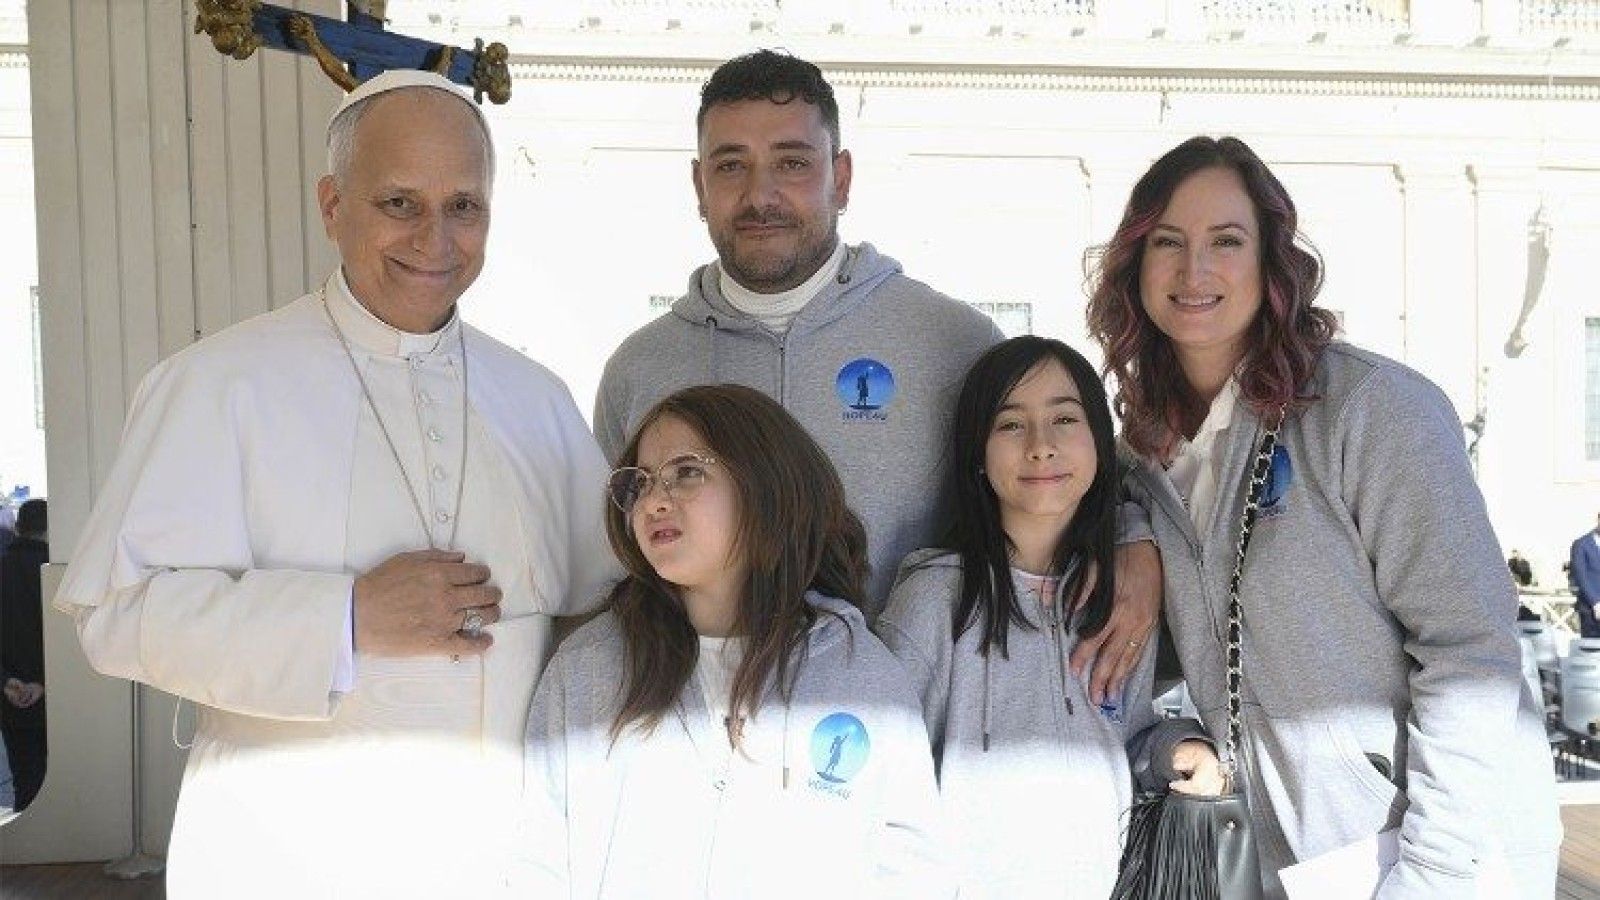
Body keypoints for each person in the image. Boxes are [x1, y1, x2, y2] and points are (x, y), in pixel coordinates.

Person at [54, 71, 617, 896]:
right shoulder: (217, 383)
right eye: (399, 202)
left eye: (464, 205)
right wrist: (346, 617)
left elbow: (599, 611)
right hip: (288, 849)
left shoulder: (536, 396)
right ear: (332, 206)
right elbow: (117, 615)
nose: (436, 237)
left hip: (498, 852)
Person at [593, 49, 1160, 700]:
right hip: (698, 733)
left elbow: (1071, 472)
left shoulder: (954, 341)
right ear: (699, 186)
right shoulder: (640, 370)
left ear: (841, 177)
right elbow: (619, 568)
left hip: (904, 732)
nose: (761, 195)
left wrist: (1133, 545)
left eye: (792, 162)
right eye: (731, 166)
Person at [1087, 136, 1561, 898]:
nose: (1194, 270)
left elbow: (1470, 652)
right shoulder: (1143, 451)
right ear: (1135, 266)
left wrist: (1431, 874)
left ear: (1274, 261)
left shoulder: (1374, 411)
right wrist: (1132, 536)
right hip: (1285, 866)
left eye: (1226, 242)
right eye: (1167, 243)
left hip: (1443, 857)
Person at [516, 385, 948, 897]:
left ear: (767, 484)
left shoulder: (860, 671)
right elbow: (537, 857)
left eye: (687, 472)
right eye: (641, 484)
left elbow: (908, 861)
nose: (654, 500)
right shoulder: (587, 667)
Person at [877, 337, 1218, 898]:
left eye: (1064, 418)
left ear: (1097, 443)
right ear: (977, 454)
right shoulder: (936, 598)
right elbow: (883, 778)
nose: (1041, 446)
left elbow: (1127, 737)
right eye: (1011, 425)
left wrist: (1179, 748)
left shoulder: (1124, 597)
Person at [1, 498, 47, 812]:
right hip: (54, 698)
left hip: (9, 697)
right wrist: (43, 683)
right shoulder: (57, 575)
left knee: (24, 780)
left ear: (18, 528)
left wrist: (6, 682)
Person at [1571, 514, 1600, 638]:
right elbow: (1581, 577)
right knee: (1592, 654)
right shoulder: (1581, 544)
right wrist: (1596, 603)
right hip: (1590, 610)